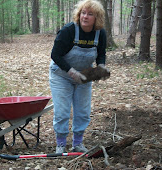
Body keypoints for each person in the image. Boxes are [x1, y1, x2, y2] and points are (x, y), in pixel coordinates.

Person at [49, 0, 109, 154]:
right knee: (62, 111)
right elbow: (55, 54)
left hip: (84, 77)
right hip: (61, 75)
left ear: (97, 18)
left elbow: (101, 53)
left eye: (90, 14)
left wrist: (101, 66)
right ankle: (61, 144)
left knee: (82, 111)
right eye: (83, 13)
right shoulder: (69, 31)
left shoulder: (100, 33)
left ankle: (77, 143)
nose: (85, 16)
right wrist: (71, 72)